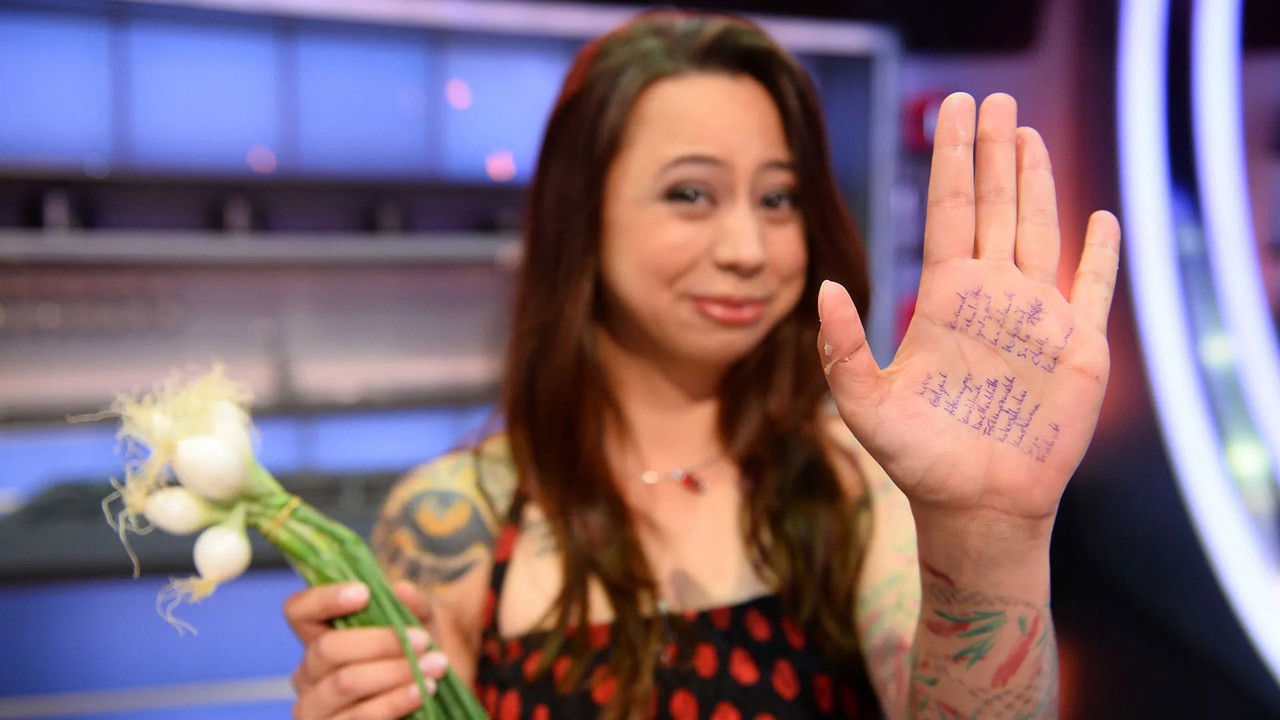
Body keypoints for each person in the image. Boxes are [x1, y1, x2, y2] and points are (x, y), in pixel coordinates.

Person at [284, 10, 1119, 720]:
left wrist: (986, 538)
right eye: (691, 194)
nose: (748, 249)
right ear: (583, 216)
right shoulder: (453, 520)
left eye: (778, 199)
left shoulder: (856, 483)